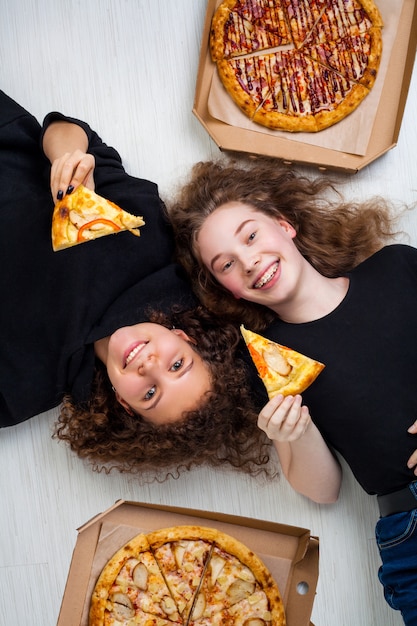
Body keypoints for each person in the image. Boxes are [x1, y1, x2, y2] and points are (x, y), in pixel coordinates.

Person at [169, 156, 417, 625]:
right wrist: (292, 432)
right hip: (409, 526)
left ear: (286, 226)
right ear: (228, 288)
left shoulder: (397, 267)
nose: (248, 261)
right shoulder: (265, 362)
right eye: (226, 264)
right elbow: (322, 490)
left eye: (251, 235)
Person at [0, 92, 272, 478]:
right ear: (185, 337)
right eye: (177, 364)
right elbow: (64, 128)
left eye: (149, 393)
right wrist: (70, 160)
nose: (149, 366)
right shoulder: (146, 240)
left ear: (125, 405)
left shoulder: (20, 392)